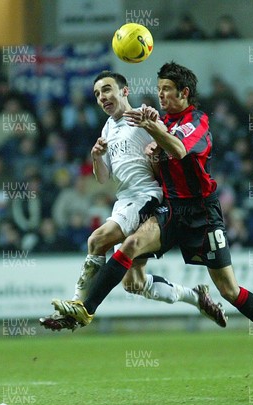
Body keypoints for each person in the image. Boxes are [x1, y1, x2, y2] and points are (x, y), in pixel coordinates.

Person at [50, 63, 253, 373]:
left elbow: (179, 149)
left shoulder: (198, 121)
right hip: (170, 210)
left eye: (167, 89)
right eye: (159, 89)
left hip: (202, 214)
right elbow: (153, 156)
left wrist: (155, 132)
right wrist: (152, 145)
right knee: (129, 249)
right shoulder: (157, 120)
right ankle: (86, 309)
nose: (161, 94)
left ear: (184, 93)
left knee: (229, 290)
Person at [40, 71, 227, 331]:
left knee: (97, 240)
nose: (102, 97)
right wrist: (97, 157)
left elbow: (171, 150)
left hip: (146, 196)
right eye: (96, 94)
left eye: (107, 90)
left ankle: (77, 306)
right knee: (133, 283)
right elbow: (103, 178)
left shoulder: (144, 116)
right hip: (124, 200)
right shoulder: (107, 128)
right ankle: (195, 297)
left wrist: (155, 138)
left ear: (124, 91)